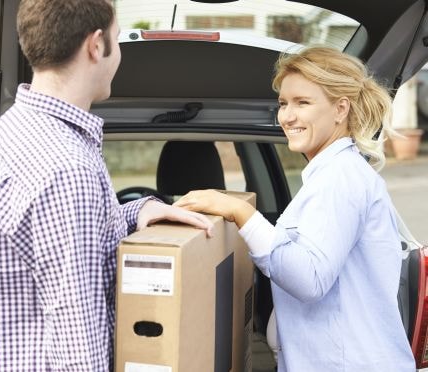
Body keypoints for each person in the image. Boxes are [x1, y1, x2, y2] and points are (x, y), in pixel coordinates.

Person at [0, 1, 212, 371]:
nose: (118, 54)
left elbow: (44, 241)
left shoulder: (8, 132)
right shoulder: (68, 168)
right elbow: (78, 346)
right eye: (117, 40)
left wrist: (139, 209)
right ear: (96, 46)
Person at [175, 46, 416, 371]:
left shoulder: (340, 179)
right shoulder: (334, 174)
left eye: (303, 103)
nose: (287, 116)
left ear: (340, 109)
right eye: (284, 104)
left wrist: (240, 212)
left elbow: (309, 279)